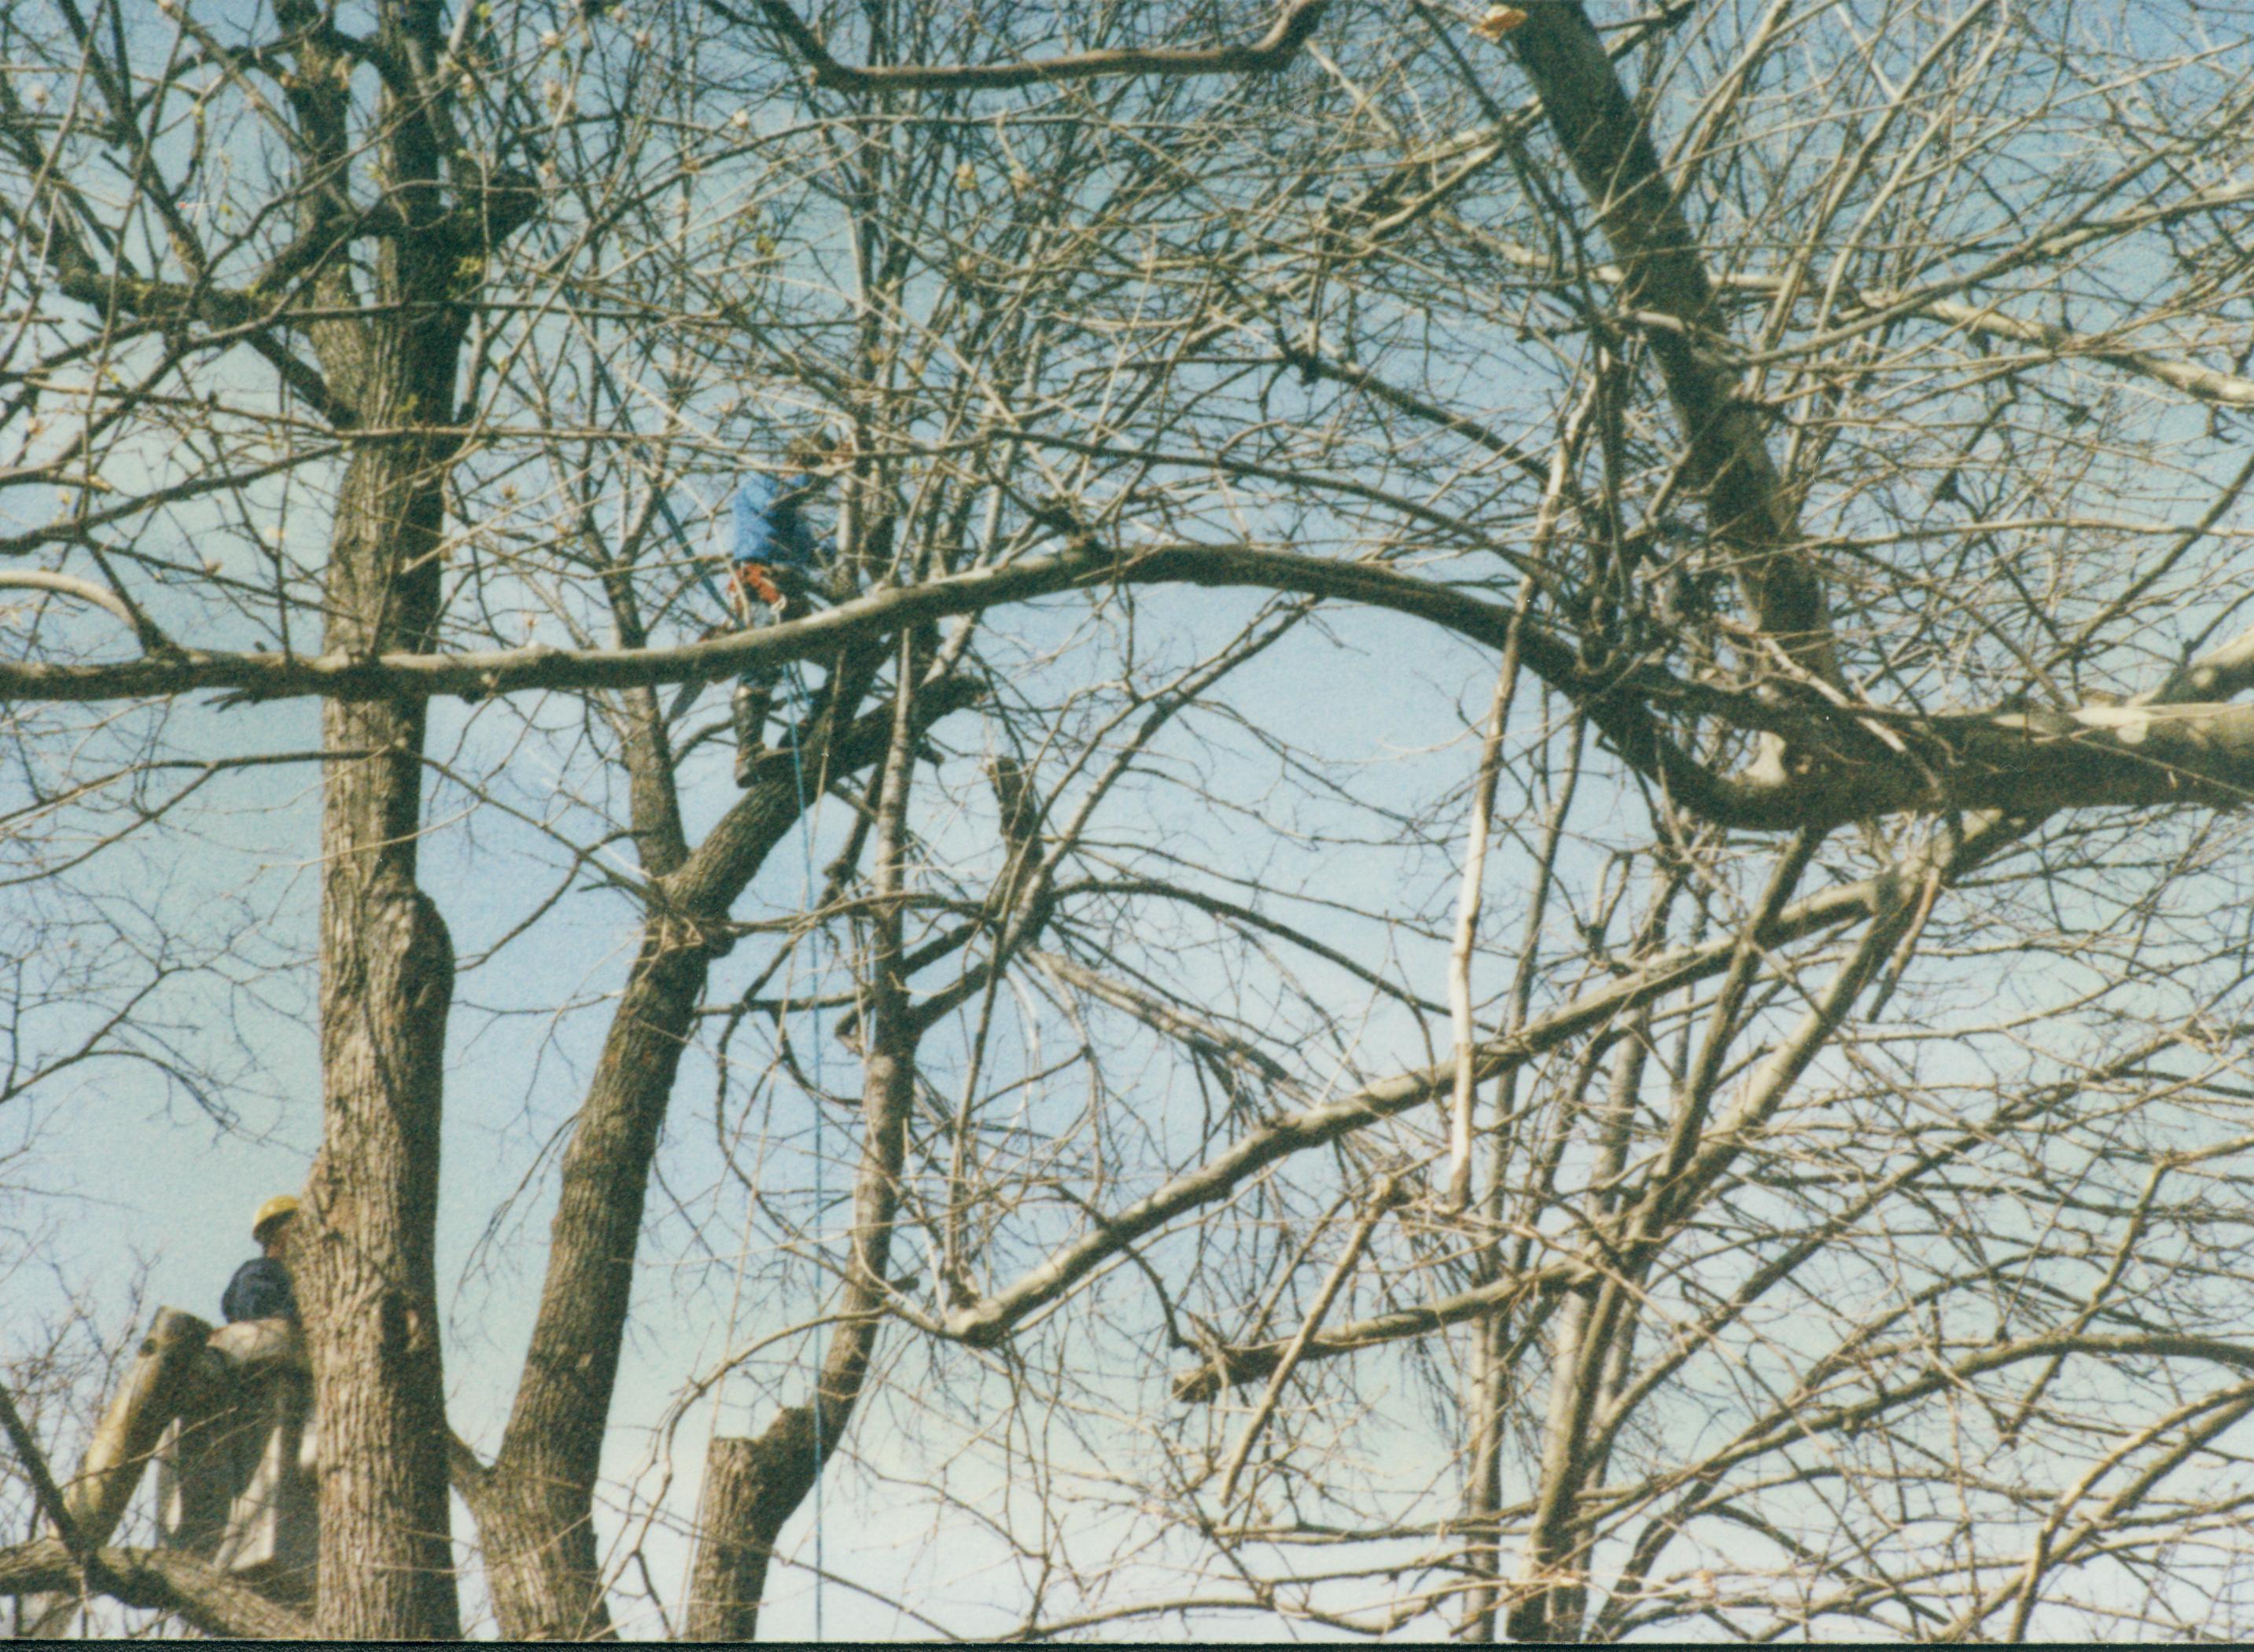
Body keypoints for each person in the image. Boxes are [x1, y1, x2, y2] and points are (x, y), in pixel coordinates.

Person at [724, 450, 834, 785]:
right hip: (759, 584)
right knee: (762, 659)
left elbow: (816, 556)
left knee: (843, 658)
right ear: (792, 463)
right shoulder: (762, 483)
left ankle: (806, 729)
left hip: (790, 594)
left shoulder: (798, 520)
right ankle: (749, 754)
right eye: (808, 468)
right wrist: (824, 472)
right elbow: (779, 504)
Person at [220, 1194, 300, 1324]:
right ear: (274, 1233)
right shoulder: (260, 1270)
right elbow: (254, 1312)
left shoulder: (296, 1272)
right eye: (295, 1227)